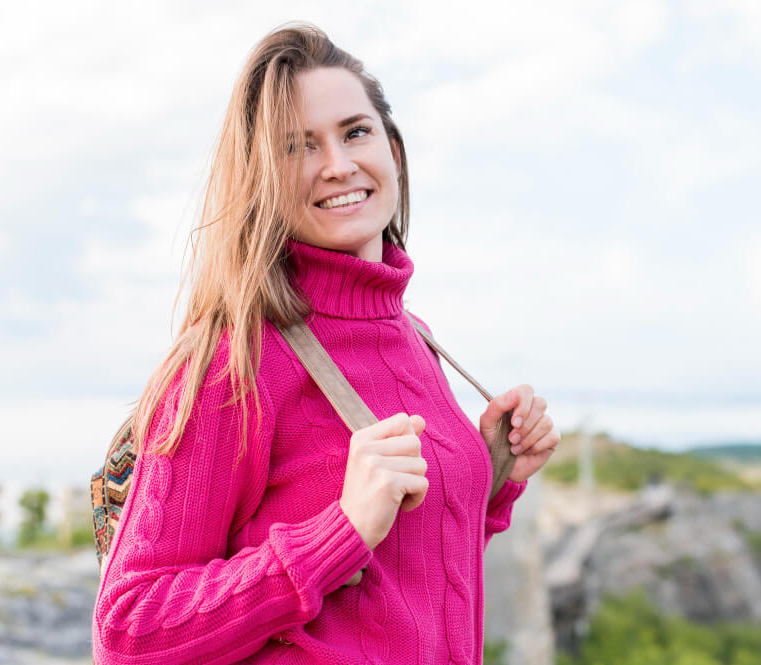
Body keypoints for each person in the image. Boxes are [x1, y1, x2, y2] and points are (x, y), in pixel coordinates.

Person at [92, 22, 560, 665]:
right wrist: (337, 532)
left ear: (392, 148)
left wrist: (495, 473)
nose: (338, 165)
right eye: (299, 146)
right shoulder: (236, 358)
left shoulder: (412, 337)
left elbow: (403, 590)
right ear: (263, 179)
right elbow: (127, 631)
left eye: (355, 132)